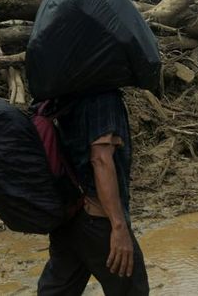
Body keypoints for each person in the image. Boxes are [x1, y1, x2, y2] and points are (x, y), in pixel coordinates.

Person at [38, 90, 149, 295]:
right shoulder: (103, 99)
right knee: (132, 289)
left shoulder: (62, 97)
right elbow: (100, 160)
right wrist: (118, 227)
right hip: (97, 221)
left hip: (67, 218)